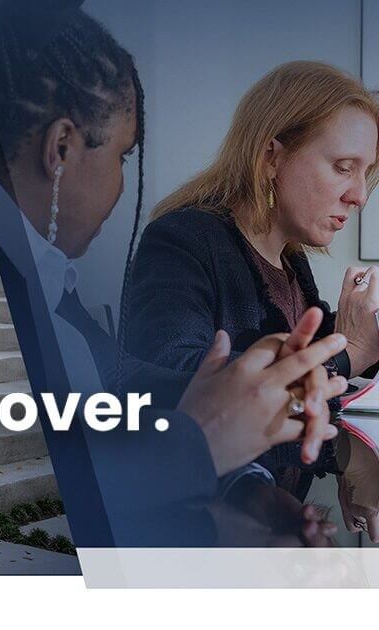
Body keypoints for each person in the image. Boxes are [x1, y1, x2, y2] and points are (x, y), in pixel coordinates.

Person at [0, 0, 343, 546]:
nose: (358, 193)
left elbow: (129, 384)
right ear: (60, 149)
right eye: (123, 157)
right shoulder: (176, 242)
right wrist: (197, 442)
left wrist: (257, 382)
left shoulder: (53, 285)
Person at [124, 61, 379, 528]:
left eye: (366, 174)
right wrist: (350, 356)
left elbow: (315, 342)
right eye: (344, 168)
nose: (360, 196)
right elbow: (169, 380)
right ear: (272, 156)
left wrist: (365, 334)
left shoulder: (289, 257)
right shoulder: (182, 239)